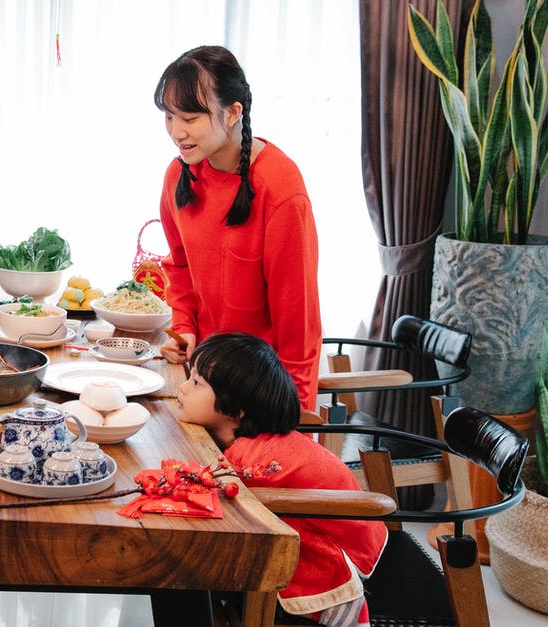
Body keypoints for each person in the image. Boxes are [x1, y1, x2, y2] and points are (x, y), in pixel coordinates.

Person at [177, 332, 386, 627]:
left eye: (196, 383)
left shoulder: (254, 463)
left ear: (235, 411)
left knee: (187, 563)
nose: (183, 389)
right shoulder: (254, 441)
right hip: (348, 543)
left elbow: (213, 490)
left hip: (334, 582)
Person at [154, 45, 321, 411]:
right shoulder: (177, 176)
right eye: (169, 117)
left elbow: (299, 327)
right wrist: (184, 327)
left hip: (256, 399)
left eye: (190, 118)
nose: (177, 132)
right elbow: (179, 267)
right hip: (201, 381)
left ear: (232, 113)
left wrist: (297, 424)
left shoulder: (280, 189)